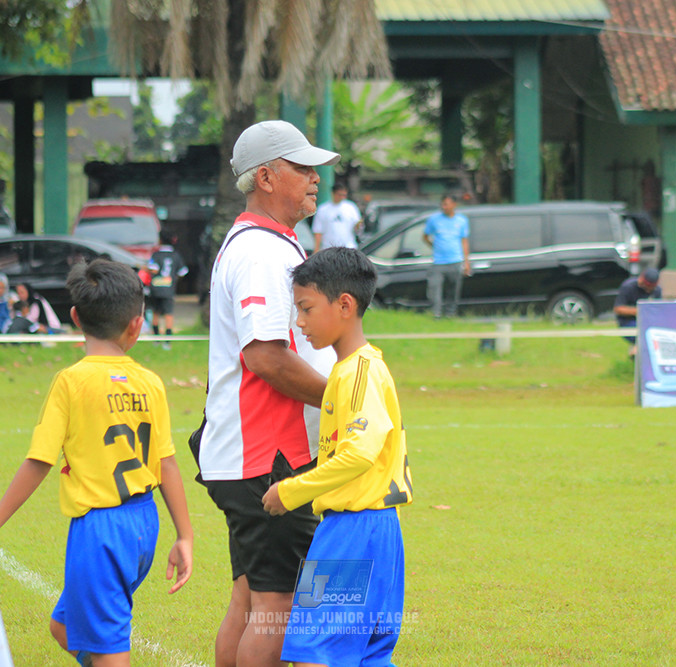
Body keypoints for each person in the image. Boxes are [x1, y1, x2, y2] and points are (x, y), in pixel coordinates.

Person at [0, 258, 193, 667]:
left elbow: (39, 461)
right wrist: (183, 535)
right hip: (144, 524)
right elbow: (166, 463)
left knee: (110, 652)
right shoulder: (150, 382)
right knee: (63, 628)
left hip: (101, 532)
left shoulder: (71, 382)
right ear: (137, 324)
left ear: (75, 317)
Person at [199, 119, 338, 667]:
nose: (315, 177)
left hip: (250, 454)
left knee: (251, 598)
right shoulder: (261, 250)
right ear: (265, 177)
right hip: (267, 457)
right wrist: (343, 399)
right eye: (301, 167)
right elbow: (264, 355)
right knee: (278, 605)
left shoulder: (271, 242)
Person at [262, 247, 414, 667]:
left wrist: (291, 491)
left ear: (345, 304)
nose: (300, 322)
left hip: (353, 531)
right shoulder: (353, 370)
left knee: (314, 654)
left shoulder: (357, 373)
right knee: (366, 657)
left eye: (307, 308)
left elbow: (358, 453)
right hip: (377, 529)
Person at [422, 194, 470, 318]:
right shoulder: (434, 219)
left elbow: (464, 241)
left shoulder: (462, 220)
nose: (444, 207)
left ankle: (450, 313)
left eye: (447, 204)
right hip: (438, 262)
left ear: (454, 205)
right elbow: (425, 236)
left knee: (453, 289)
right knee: (434, 288)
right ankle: (436, 313)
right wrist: (434, 246)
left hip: (455, 260)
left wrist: (466, 261)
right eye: (442, 204)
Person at [147, 230, 189, 349]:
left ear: (160, 240)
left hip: (155, 288)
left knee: (156, 313)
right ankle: (167, 342)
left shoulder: (155, 255)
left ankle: (156, 340)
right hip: (168, 289)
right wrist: (174, 278)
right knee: (168, 314)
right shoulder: (176, 255)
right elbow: (183, 272)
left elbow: (153, 269)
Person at [613, 267, 662, 358]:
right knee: (644, 334)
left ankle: (638, 353)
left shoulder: (657, 291)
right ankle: (636, 352)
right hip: (628, 322)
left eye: (651, 288)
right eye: (647, 287)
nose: (648, 290)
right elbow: (618, 308)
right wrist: (640, 310)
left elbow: (658, 309)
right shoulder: (628, 287)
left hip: (649, 322)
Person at [311, 182, 362, 250]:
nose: (342, 197)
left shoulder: (351, 207)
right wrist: (316, 249)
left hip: (348, 248)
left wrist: (358, 226)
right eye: (339, 195)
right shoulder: (323, 209)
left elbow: (357, 227)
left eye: (344, 195)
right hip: (328, 249)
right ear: (333, 193)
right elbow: (318, 231)